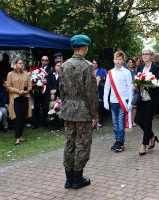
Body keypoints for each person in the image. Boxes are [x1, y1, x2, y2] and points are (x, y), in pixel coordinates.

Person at [60, 34, 98, 189]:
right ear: (84, 47)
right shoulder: (87, 66)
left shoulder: (64, 65)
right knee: (82, 143)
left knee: (69, 142)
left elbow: (62, 90)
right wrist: (95, 114)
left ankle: (69, 179)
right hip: (83, 111)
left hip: (68, 109)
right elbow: (91, 92)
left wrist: (65, 105)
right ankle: (77, 178)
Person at [103, 51, 133, 152]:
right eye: (116, 59)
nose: (118, 61)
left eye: (120, 59)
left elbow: (130, 87)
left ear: (123, 61)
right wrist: (105, 100)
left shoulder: (127, 72)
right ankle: (117, 141)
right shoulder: (110, 72)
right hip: (113, 101)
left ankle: (120, 142)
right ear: (113, 60)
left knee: (120, 123)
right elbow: (107, 87)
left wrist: (130, 102)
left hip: (123, 102)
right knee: (115, 124)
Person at [135, 48, 159, 156]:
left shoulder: (156, 68)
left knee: (147, 121)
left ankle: (144, 144)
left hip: (151, 98)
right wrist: (137, 84)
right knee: (138, 120)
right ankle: (152, 136)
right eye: (143, 54)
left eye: (146, 54)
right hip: (142, 97)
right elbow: (137, 78)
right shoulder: (140, 67)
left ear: (151, 55)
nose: (144, 56)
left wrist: (149, 84)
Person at [7, 58, 32, 144]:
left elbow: (30, 86)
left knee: (22, 117)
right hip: (15, 98)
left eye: (22, 63)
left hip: (24, 97)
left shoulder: (26, 74)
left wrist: (26, 91)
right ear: (15, 64)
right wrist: (18, 91)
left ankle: (20, 135)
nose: (21, 64)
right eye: (19, 63)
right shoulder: (10, 74)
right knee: (17, 117)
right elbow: (8, 86)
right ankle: (17, 137)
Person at [32, 55, 52, 129]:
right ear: (41, 61)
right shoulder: (37, 69)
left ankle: (44, 123)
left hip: (46, 91)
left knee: (45, 108)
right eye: (43, 60)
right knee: (36, 108)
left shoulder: (51, 70)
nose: (44, 61)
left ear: (48, 61)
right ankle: (35, 124)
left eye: (46, 60)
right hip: (37, 91)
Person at [92, 58, 106, 128]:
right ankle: (94, 122)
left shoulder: (102, 70)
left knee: (99, 106)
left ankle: (99, 122)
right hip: (92, 90)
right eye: (93, 63)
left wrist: (100, 79)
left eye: (96, 63)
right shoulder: (90, 70)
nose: (94, 64)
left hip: (100, 89)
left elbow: (105, 79)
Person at [127, 58, 138, 127]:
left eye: (132, 62)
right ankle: (128, 121)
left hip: (135, 90)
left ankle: (133, 121)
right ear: (127, 63)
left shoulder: (136, 71)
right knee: (128, 105)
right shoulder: (125, 71)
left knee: (134, 106)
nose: (131, 63)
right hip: (127, 90)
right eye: (129, 62)